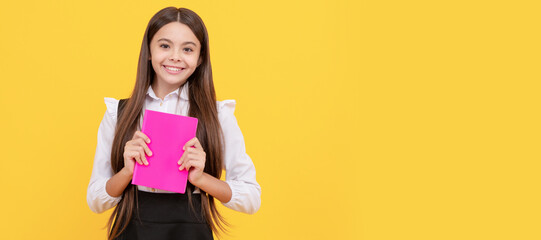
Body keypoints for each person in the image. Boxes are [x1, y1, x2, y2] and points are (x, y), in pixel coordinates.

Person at [86, 7, 261, 240]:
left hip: (191, 231)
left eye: (187, 49)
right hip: (132, 230)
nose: (175, 56)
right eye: (165, 45)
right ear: (149, 50)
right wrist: (127, 172)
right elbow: (95, 201)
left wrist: (201, 178)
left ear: (200, 58)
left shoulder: (218, 116)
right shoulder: (118, 114)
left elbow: (251, 198)